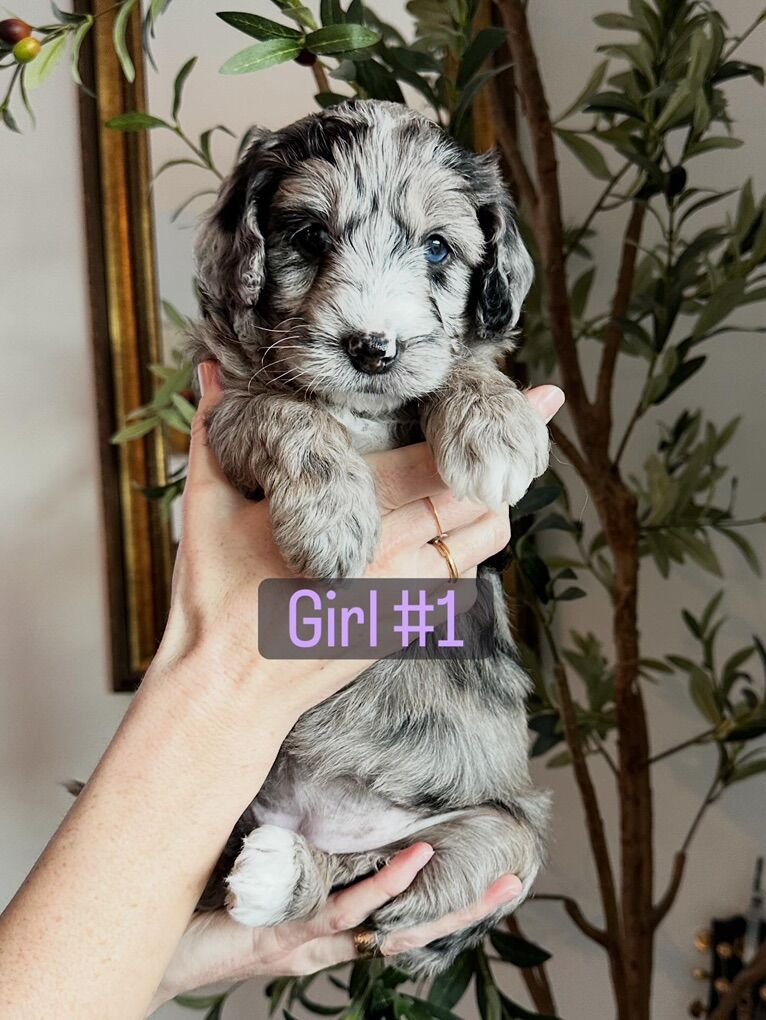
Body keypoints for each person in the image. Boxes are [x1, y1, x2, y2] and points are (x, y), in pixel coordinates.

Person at [0, 362, 565, 1018]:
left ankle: (314, 875)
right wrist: (230, 666)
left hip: (433, 800)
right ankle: (308, 873)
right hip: (283, 790)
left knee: (496, 861)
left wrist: (171, 960)